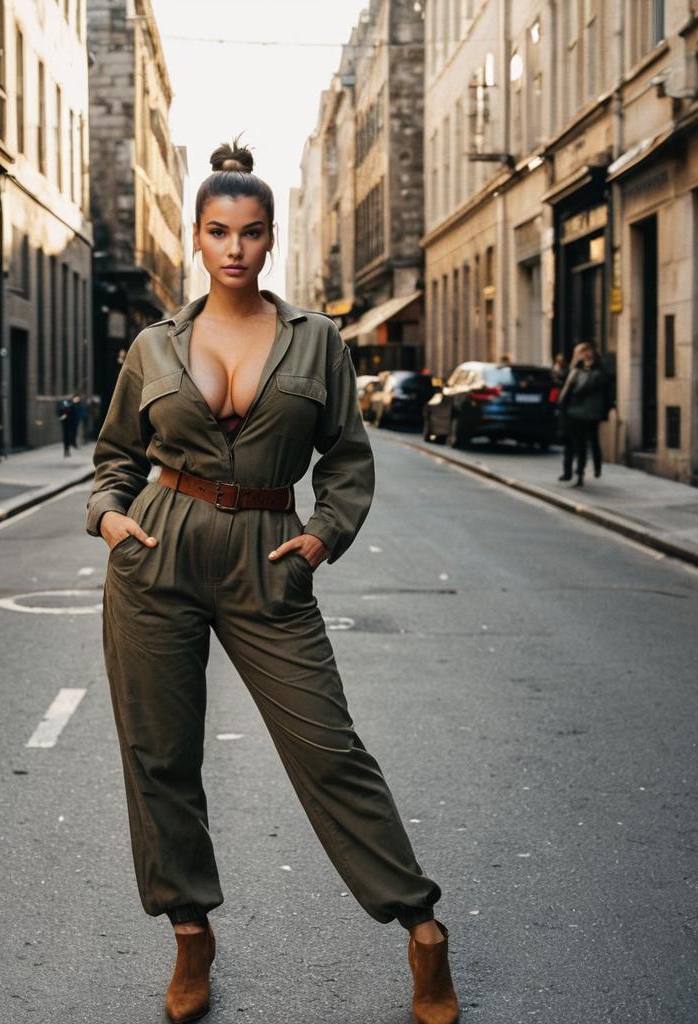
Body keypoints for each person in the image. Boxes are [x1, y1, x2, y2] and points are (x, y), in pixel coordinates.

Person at [86, 139, 460, 1024]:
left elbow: (347, 459)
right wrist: (110, 518)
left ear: (271, 240)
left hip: (268, 556)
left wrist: (325, 535)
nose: (234, 249)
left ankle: (422, 927)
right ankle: (190, 934)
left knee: (328, 750)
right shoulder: (153, 344)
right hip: (159, 552)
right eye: (218, 231)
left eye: (251, 234)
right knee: (160, 757)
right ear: (197, 237)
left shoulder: (317, 340)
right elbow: (114, 458)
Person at [557, 343, 613, 486]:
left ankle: (592, 469)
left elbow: (594, 385)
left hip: (591, 412)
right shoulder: (575, 369)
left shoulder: (599, 370)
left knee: (590, 441)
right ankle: (572, 472)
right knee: (574, 442)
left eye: (588, 352)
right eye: (583, 352)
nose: (587, 355)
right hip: (574, 412)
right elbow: (565, 386)